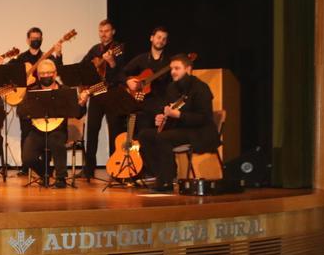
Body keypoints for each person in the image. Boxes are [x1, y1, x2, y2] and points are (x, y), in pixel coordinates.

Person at [138, 54, 219, 193]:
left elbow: (203, 118)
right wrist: (161, 118)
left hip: (199, 132)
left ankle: (166, 182)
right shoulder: (172, 88)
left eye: (177, 68)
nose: (173, 72)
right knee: (144, 135)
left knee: (163, 138)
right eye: (171, 69)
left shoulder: (201, 88)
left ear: (188, 69)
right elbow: (168, 110)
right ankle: (161, 175)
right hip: (180, 130)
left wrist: (179, 115)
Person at [20, 59, 89, 188]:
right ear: (38, 75)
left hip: (58, 130)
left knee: (56, 142)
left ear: (55, 73)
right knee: (27, 158)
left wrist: (82, 103)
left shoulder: (65, 91)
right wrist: (30, 109)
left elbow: (78, 114)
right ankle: (45, 173)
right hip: (37, 131)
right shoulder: (32, 92)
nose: (46, 75)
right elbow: (21, 112)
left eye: (49, 72)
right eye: (42, 73)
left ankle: (61, 178)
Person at [79, 19, 127, 179]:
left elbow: (121, 71)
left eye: (106, 31)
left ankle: (115, 168)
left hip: (113, 93)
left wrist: (111, 62)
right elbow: (83, 67)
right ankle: (89, 169)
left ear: (113, 32)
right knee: (91, 131)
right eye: (101, 31)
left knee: (115, 131)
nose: (103, 34)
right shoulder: (95, 49)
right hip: (97, 94)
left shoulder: (118, 49)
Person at [12, 27, 63, 176]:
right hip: (26, 99)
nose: (36, 40)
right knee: (26, 133)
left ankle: (46, 167)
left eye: (38, 38)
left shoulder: (48, 57)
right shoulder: (21, 58)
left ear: (42, 39)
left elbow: (59, 69)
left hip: (45, 99)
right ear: (28, 40)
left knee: (47, 130)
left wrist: (58, 54)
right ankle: (25, 166)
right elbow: (13, 75)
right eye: (33, 38)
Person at [123, 26, 171, 132]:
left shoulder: (170, 62)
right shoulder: (141, 59)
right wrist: (128, 81)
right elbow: (122, 72)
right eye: (159, 37)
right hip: (142, 103)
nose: (161, 40)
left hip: (160, 104)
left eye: (164, 39)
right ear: (151, 38)